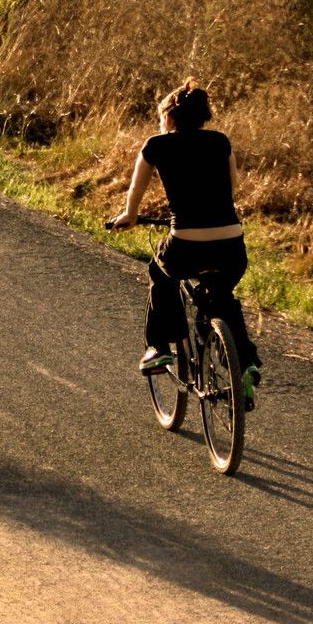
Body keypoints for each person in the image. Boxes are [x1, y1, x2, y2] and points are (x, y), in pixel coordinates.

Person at [109, 80, 261, 404]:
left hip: (188, 243)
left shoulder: (156, 145)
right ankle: (244, 363)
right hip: (232, 243)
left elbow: (135, 191)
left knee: (160, 272)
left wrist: (130, 215)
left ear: (170, 117)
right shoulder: (220, 142)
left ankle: (159, 349)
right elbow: (232, 187)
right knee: (221, 296)